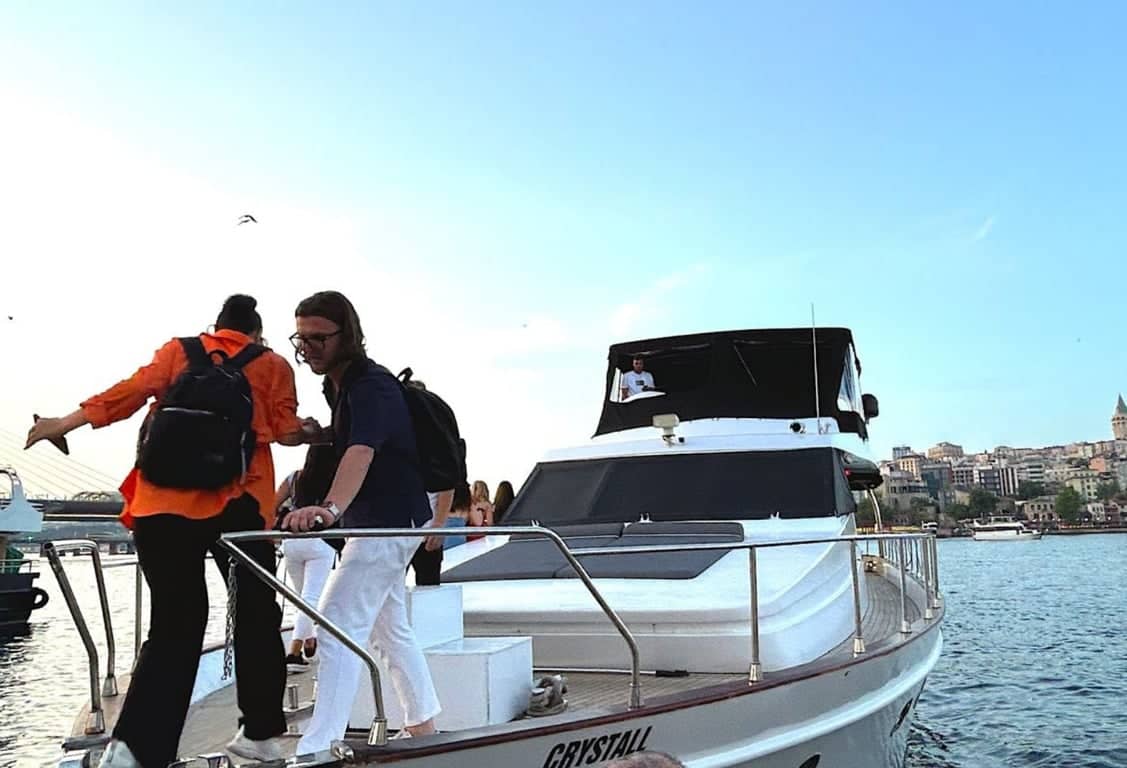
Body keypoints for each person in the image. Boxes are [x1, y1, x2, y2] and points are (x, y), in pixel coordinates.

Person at [25, 294, 322, 768]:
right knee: (256, 616)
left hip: (159, 504)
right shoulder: (271, 364)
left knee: (174, 625)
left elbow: (127, 394)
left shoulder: (180, 350)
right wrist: (312, 432)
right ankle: (260, 736)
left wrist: (64, 422)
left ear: (216, 326)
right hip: (239, 506)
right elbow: (285, 430)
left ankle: (134, 749)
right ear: (257, 332)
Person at [281, 290, 441, 753]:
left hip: (385, 524)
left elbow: (364, 448)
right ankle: (423, 727)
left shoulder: (369, 384)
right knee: (390, 629)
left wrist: (328, 509)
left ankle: (317, 747)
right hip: (384, 522)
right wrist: (318, 433)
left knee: (333, 626)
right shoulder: (341, 386)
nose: (307, 347)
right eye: (301, 337)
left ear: (346, 335)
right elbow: (354, 438)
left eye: (318, 338)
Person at [275, 443, 339, 671]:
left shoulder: (294, 478)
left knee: (301, 599)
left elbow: (273, 504)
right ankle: (293, 652)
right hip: (322, 543)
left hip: (292, 541)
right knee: (310, 599)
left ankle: (309, 640)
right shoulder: (335, 482)